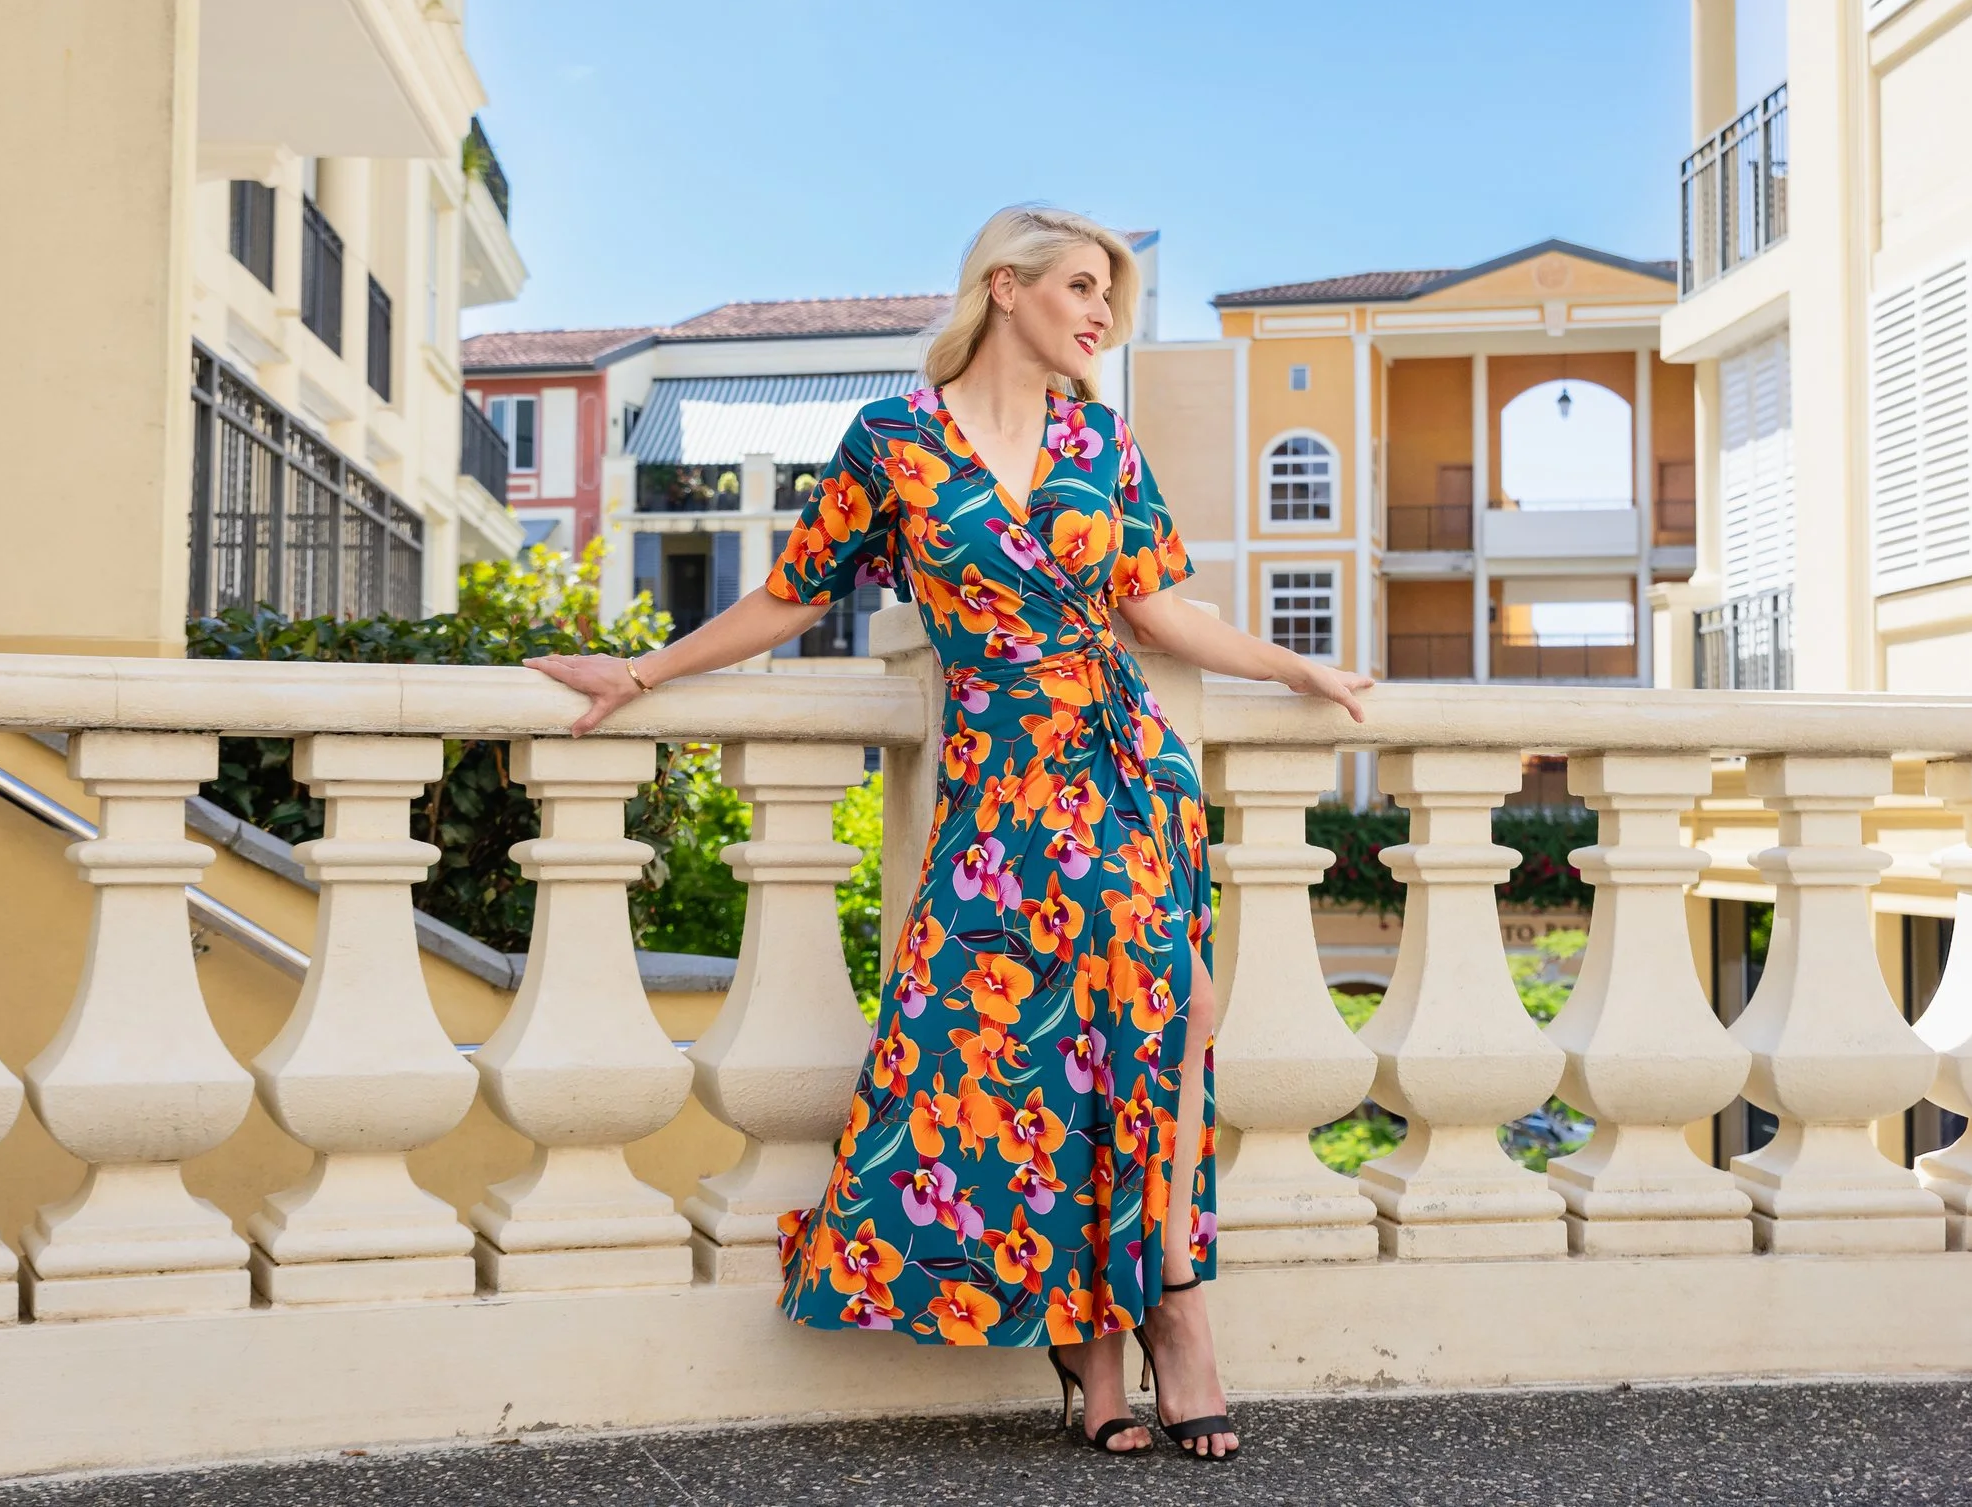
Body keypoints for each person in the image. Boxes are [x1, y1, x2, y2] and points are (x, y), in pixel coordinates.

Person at [531, 206, 1371, 1461]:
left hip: (1123, 766)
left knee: (1165, 1023)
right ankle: (1089, 1352)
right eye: (1082, 287)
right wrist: (643, 671)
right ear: (1005, 285)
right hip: (998, 787)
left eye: (1111, 297)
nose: (1100, 314)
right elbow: (787, 590)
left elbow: (1154, 608)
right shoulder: (892, 442)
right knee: (1021, 1058)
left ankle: (1176, 1309)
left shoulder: (1102, 440)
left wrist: (1287, 668)